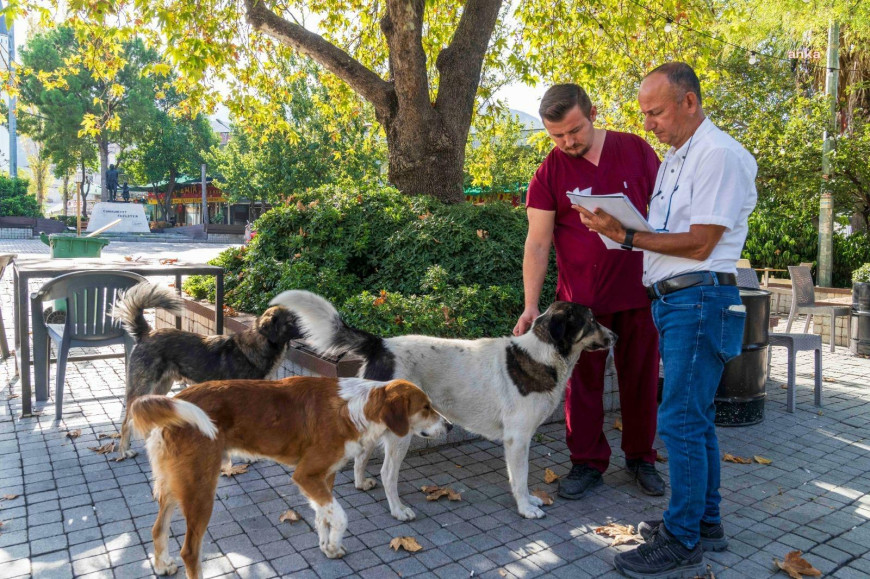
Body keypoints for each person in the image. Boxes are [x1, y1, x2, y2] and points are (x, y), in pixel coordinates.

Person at [574, 63, 757, 578]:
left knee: (677, 421)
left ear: (690, 102)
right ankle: (706, 524)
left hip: (699, 301)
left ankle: (681, 539)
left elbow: (701, 242)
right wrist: (618, 226)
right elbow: (672, 232)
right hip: (680, 301)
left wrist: (627, 236)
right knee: (693, 421)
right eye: (644, 114)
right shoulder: (680, 157)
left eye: (655, 112)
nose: (648, 123)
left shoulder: (718, 155)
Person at [513, 84, 665, 501]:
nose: (567, 142)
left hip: (639, 292)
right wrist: (531, 305)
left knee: (641, 380)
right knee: (581, 386)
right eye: (557, 136)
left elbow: (668, 212)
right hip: (580, 307)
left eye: (574, 131)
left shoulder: (636, 150)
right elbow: (538, 243)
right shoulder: (549, 172)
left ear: (592, 112)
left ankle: (642, 459)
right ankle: (586, 463)